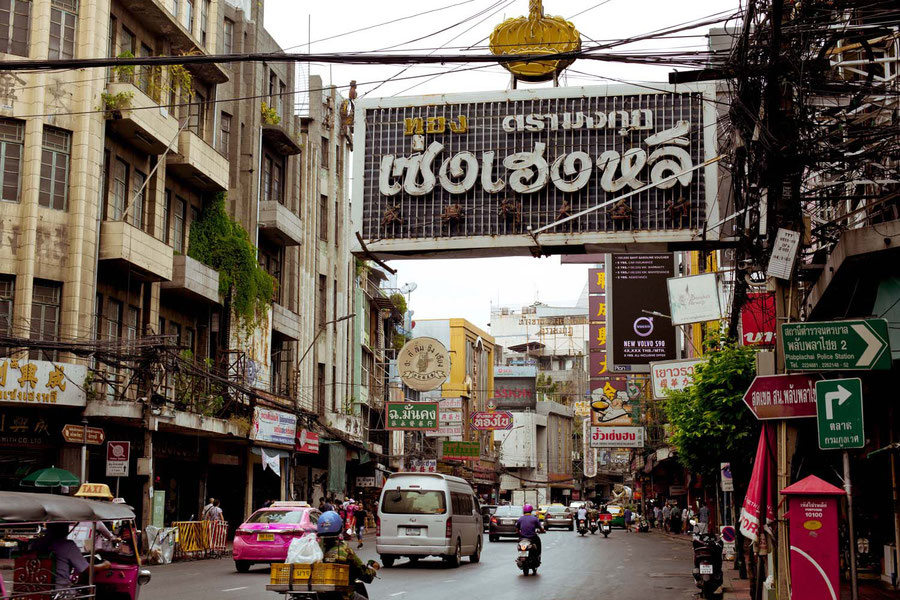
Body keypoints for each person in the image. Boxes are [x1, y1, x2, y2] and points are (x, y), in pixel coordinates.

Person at [317, 511, 379, 600]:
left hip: (318, 594)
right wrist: (371, 573)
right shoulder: (343, 549)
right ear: (339, 527)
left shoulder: (314, 548)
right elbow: (362, 571)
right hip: (341, 595)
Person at [30, 523, 111, 589]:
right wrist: (104, 565)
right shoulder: (68, 545)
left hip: (37, 589)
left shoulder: (37, 544)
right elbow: (86, 569)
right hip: (60, 592)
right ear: (64, 529)